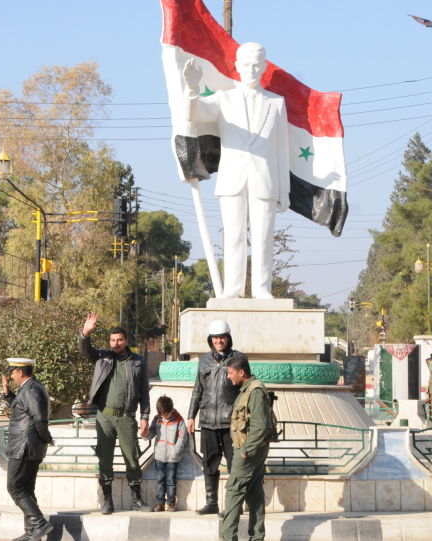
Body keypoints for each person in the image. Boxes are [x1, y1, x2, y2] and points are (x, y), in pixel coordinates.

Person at [182, 42, 290, 299]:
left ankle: (263, 289)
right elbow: (194, 114)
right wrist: (192, 88)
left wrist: (284, 189)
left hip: (265, 180)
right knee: (233, 237)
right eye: (246, 65)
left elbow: (282, 150)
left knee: (264, 238)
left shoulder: (276, 103)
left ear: (264, 66)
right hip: (233, 179)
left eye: (256, 65)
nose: (251, 69)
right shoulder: (223, 98)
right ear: (237, 66)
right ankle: (233, 289)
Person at [77, 312, 151, 514]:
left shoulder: (137, 361)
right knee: (105, 458)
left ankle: (136, 500)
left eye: (119, 340)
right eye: (112, 340)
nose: (115, 343)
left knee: (132, 458)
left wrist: (145, 417)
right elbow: (85, 350)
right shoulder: (103, 357)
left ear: (126, 341)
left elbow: (144, 391)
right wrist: (85, 332)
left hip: (127, 416)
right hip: (105, 417)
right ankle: (107, 501)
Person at [187, 319, 244, 515]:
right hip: (208, 421)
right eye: (215, 338)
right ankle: (211, 502)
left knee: (233, 463)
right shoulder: (204, 360)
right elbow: (198, 389)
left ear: (228, 338)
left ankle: (233, 503)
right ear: (210, 339)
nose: (219, 341)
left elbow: (245, 389)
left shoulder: (238, 359)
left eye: (222, 337)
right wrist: (191, 416)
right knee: (209, 463)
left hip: (231, 423)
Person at [0, 358, 53, 541]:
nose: (11, 376)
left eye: (12, 372)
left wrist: (46, 437)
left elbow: (38, 417)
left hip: (24, 446)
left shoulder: (30, 389)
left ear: (20, 372)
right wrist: (8, 395)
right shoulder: (30, 388)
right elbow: (23, 408)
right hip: (28, 446)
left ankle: (38, 524)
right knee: (26, 489)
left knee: (14, 486)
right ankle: (32, 533)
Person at [220, 357, 272, 541]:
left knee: (233, 491)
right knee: (254, 492)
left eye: (230, 373)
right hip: (251, 449)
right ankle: (257, 536)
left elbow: (260, 426)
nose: (228, 377)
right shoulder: (247, 389)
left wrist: (245, 450)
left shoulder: (255, 391)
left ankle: (227, 538)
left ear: (241, 373)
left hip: (249, 451)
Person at [147, 395, 187, 512]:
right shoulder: (157, 419)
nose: (163, 416)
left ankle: (171, 502)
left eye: (165, 414)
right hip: (159, 455)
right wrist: (145, 434)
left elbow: (182, 438)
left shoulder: (179, 420)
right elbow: (151, 433)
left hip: (172, 457)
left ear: (171, 410)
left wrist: (175, 451)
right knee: (160, 480)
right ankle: (160, 503)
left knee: (171, 480)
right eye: (161, 414)